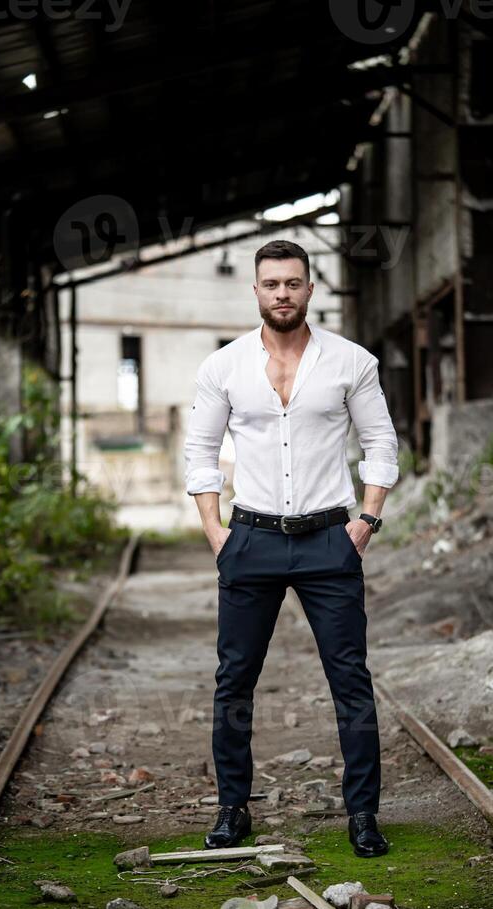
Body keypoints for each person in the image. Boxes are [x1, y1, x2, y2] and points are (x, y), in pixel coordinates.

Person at [184, 239, 400, 857]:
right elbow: (199, 454)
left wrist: (366, 520)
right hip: (249, 539)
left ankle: (363, 814)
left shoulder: (351, 361)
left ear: (311, 289)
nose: (282, 293)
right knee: (234, 681)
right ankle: (232, 810)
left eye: (293, 283)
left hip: (330, 539)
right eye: (271, 283)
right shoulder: (222, 366)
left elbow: (381, 444)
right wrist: (216, 533)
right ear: (255, 291)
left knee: (350, 681)